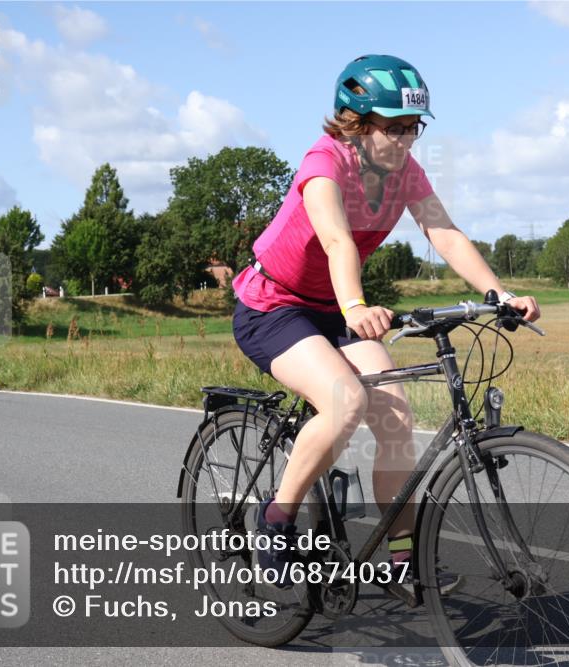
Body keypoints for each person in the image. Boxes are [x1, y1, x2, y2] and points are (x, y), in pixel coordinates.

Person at [230, 54, 540, 588]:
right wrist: (355, 306)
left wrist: (499, 293)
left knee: (395, 419)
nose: (405, 140)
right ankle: (274, 520)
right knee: (345, 400)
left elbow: (444, 234)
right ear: (356, 122)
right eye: (394, 128)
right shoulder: (324, 163)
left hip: (331, 308)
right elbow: (336, 240)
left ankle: (401, 559)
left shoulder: (405, 172)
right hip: (273, 305)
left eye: (413, 128)